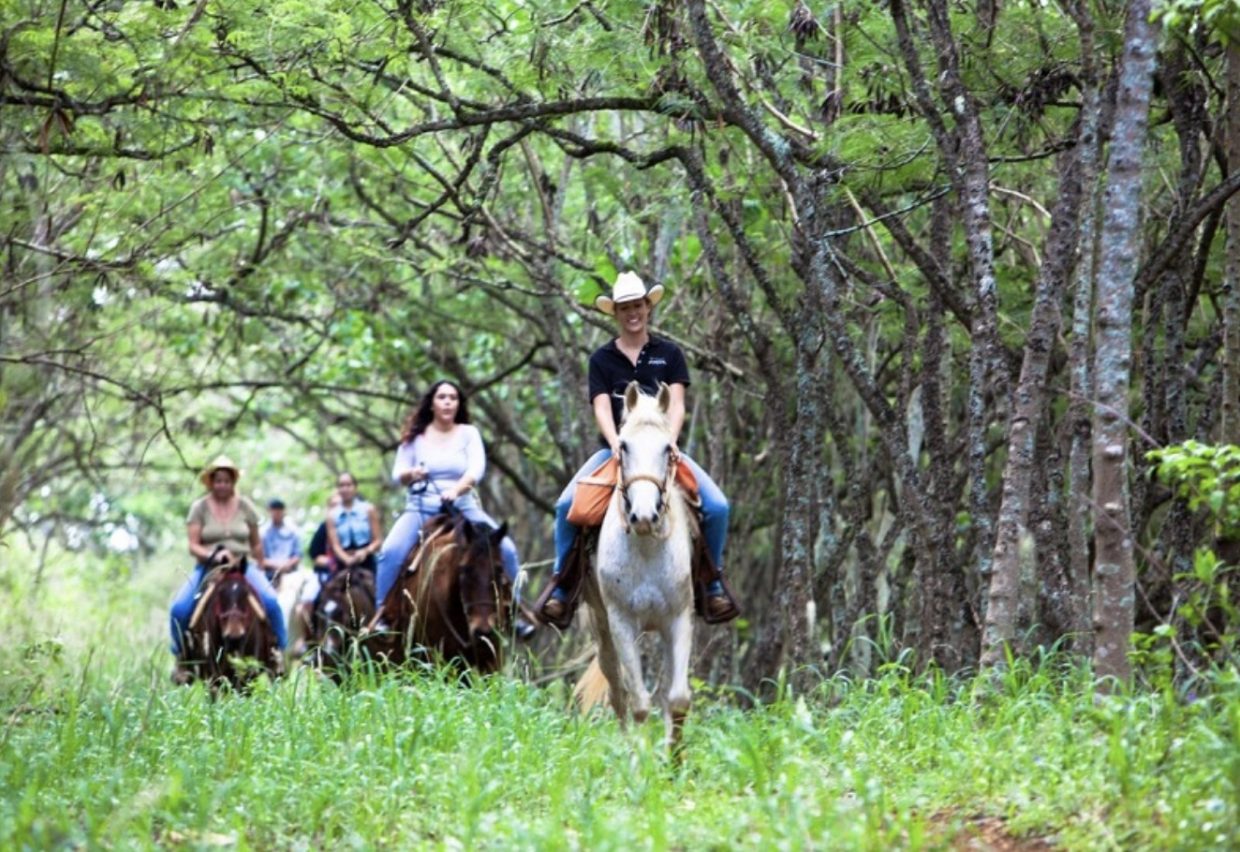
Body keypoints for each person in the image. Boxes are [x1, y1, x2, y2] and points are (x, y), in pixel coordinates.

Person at [543, 271, 733, 622]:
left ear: (648, 307)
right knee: (566, 505)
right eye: (625, 307)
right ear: (615, 312)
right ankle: (561, 586)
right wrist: (616, 444)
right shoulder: (601, 359)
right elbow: (601, 406)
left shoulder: (669, 354)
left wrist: (672, 441)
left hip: (663, 451)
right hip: (616, 451)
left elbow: (676, 404)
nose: (633, 313)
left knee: (718, 506)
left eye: (638, 305)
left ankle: (712, 584)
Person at [372, 380, 535, 640]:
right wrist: (412, 473)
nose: (448, 402)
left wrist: (457, 490)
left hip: (463, 507)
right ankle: (384, 615)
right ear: (432, 403)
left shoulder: (469, 433)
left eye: (453, 398)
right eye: (442, 397)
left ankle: (514, 611)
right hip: (421, 508)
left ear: (458, 404)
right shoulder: (415, 436)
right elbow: (397, 474)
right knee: (390, 552)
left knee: (506, 549)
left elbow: (476, 469)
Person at [169, 456, 287, 683]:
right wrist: (214, 554)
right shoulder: (199, 508)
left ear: (233, 482)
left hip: (243, 568)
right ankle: (181, 660)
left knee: (271, 602)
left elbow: (255, 543)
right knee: (180, 609)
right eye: (218, 481)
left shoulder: (246, 506)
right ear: (211, 482)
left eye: (226, 481)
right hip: (209, 568)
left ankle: (277, 654)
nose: (222, 485)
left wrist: (261, 566)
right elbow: (193, 545)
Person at [261, 497, 318, 657]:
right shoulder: (263, 533)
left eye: (279, 510)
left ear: (283, 511)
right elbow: (260, 558)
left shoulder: (293, 531)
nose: (276, 513)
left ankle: (304, 639)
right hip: (269, 575)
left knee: (303, 600)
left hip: (291, 574)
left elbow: (298, 555)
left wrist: (286, 565)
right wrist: (276, 565)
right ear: (269, 511)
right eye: (273, 510)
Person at [327, 472, 382, 574]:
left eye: (348, 485)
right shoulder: (332, 515)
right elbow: (335, 545)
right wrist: (346, 559)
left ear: (355, 487)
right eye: (341, 486)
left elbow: (377, 540)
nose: (345, 489)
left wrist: (365, 552)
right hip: (343, 564)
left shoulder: (368, 509)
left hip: (367, 561)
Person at [308, 491, 342, 585]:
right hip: (324, 573)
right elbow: (315, 556)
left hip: (351, 573)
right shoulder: (323, 528)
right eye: (333, 505)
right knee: (308, 597)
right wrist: (333, 562)